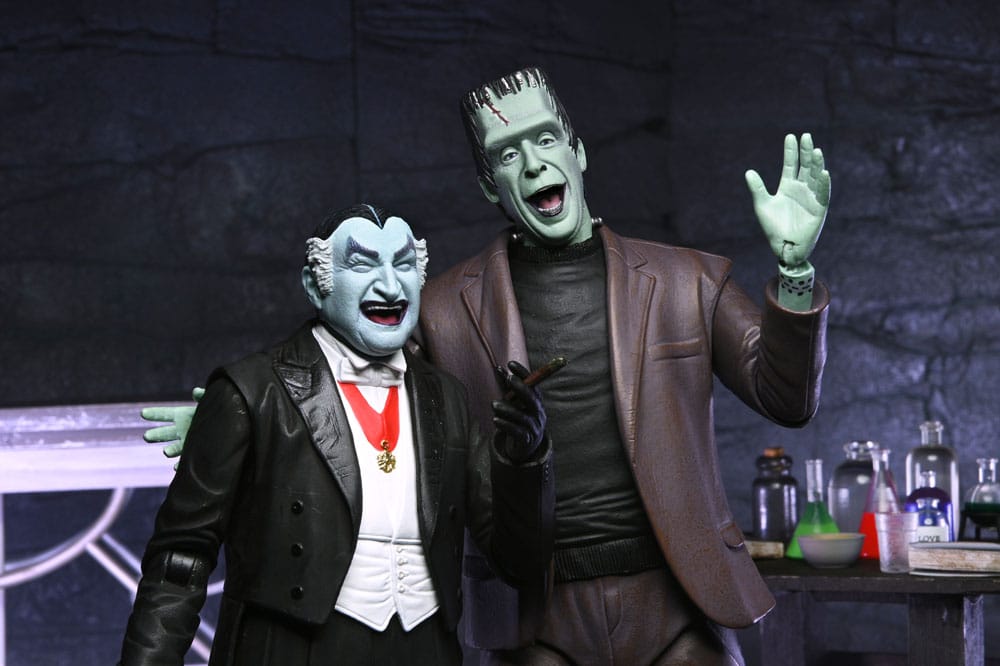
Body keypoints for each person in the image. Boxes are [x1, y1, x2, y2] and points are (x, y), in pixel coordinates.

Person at [412, 66, 831, 664]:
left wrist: (794, 274)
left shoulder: (687, 281)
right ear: (488, 186)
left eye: (545, 138)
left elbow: (787, 398)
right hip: (533, 622)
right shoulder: (441, 313)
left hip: (678, 609)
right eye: (506, 154)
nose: (532, 164)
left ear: (578, 152)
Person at [119, 204, 555, 665]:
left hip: (424, 650)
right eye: (364, 265)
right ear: (315, 285)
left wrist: (524, 460)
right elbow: (180, 561)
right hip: (292, 651)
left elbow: (516, 559)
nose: (390, 286)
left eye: (403, 264)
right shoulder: (251, 391)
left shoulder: (447, 397)